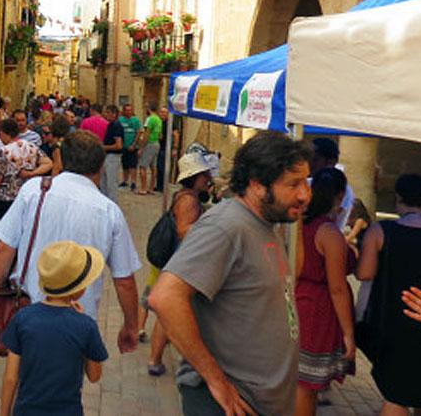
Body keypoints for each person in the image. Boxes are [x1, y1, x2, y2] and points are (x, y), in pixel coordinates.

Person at [149, 131, 312, 416]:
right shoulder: (226, 226)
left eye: (306, 183)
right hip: (230, 404)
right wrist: (216, 380)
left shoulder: (264, 224)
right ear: (258, 185)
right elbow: (165, 297)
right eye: (294, 184)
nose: (305, 193)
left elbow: (284, 284)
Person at [0, 129, 141, 352]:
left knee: (22, 376)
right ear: (100, 168)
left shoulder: (34, 190)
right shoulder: (109, 212)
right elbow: (124, 279)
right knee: (66, 381)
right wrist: (131, 326)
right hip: (78, 319)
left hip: (29, 308)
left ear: (62, 160)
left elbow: (3, 248)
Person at [356, 173, 421, 414]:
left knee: (395, 397)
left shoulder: (381, 231)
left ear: (398, 198)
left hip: (392, 324)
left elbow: (364, 274)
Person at [0, 241, 109, 416]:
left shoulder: (23, 319)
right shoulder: (86, 326)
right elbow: (95, 376)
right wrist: (83, 325)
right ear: (76, 290)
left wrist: (4, 414)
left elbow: (11, 378)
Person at [145, 153, 214, 377]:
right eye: (203, 174)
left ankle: (156, 358)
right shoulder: (188, 200)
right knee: (169, 314)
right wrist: (211, 227)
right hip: (181, 261)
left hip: (178, 260)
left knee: (169, 313)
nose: (208, 177)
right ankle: (155, 360)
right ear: (193, 176)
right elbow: (184, 230)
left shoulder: (187, 196)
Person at [294, 167, 355, 416]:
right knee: (306, 387)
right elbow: (337, 288)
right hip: (317, 312)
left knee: (295, 380)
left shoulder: (299, 223)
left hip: (297, 300)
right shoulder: (328, 232)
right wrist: (349, 333)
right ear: (340, 196)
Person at [0, 119, 49, 248]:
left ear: (6, 133)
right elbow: (48, 163)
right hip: (24, 196)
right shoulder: (31, 147)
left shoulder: (3, 151)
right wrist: (31, 173)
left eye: (0, 133)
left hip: (3, 198)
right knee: (19, 235)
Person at [309, 138, 355, 230]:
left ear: (331, 161)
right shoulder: (308, 182)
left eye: (315, 160)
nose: (310, 164)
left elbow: (333, 215)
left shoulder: (342, 188)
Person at [99, 105, 124, 203]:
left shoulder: (117, 126)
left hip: (113, 156)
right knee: (104, 182)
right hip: (107, 156)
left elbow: (119, 145)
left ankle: (113, 203)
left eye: (108, 112)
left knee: (111, 183)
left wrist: (104, 147)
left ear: (114, 114)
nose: (106, 115)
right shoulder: (110, 125)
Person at [137, 102, 163, 195]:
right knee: (153, 167)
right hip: (156, 143)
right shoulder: (159, 119)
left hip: (149, 143)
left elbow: (147, 133)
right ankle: (151, 187)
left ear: (148, 108)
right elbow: (160, 135)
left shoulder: (150, 119)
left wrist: (141, 147)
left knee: (142, 166)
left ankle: (143, 188)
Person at [119, 103, 142, 191]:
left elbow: (138, 133)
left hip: (133, 146)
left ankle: (133, 182)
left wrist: (134, 144)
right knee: (125, 164)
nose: (129, 112)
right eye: (127, 110)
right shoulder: (121, 120)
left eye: (130, 110)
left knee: (133, 165)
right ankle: (125, 180)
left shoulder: (136, 120)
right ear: (124, 111)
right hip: (123, 146)